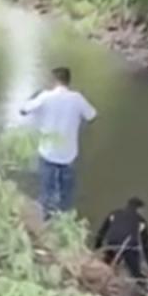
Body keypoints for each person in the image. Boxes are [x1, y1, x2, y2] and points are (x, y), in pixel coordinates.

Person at [20, 67, 97, 219]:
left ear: (54, 80)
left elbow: (23, 110)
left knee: (47, 190)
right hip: (69, 154)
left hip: (48, 152)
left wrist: (33, 97)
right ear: (68, 81)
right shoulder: (77, 98)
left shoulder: (45, 97)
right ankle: (65, 220)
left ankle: (46, 219)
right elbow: (92, 116)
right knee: (66, 194)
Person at [94, 197, 148, 286]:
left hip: (111, 245)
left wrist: (97, 249)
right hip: (129, 247)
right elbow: (146, 247)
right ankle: (143, 287)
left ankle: (105, 276)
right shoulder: (141, 221)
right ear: (139, 209)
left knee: (108, 264)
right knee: (137, 274)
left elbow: (100, 234)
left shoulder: (113, 214)